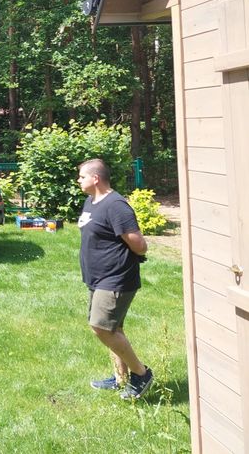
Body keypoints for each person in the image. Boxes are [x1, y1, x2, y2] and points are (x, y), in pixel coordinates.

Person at [77, 158, 153, 400]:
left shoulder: (116, 205)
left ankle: (141, 374)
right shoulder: (91, 202)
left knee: (101, 327)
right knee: (114, 327)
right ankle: (121, 378)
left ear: (95, 178)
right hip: (98, 278)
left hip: (116, 278)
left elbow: (140, 245)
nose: (78, 180)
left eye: (82, 176)